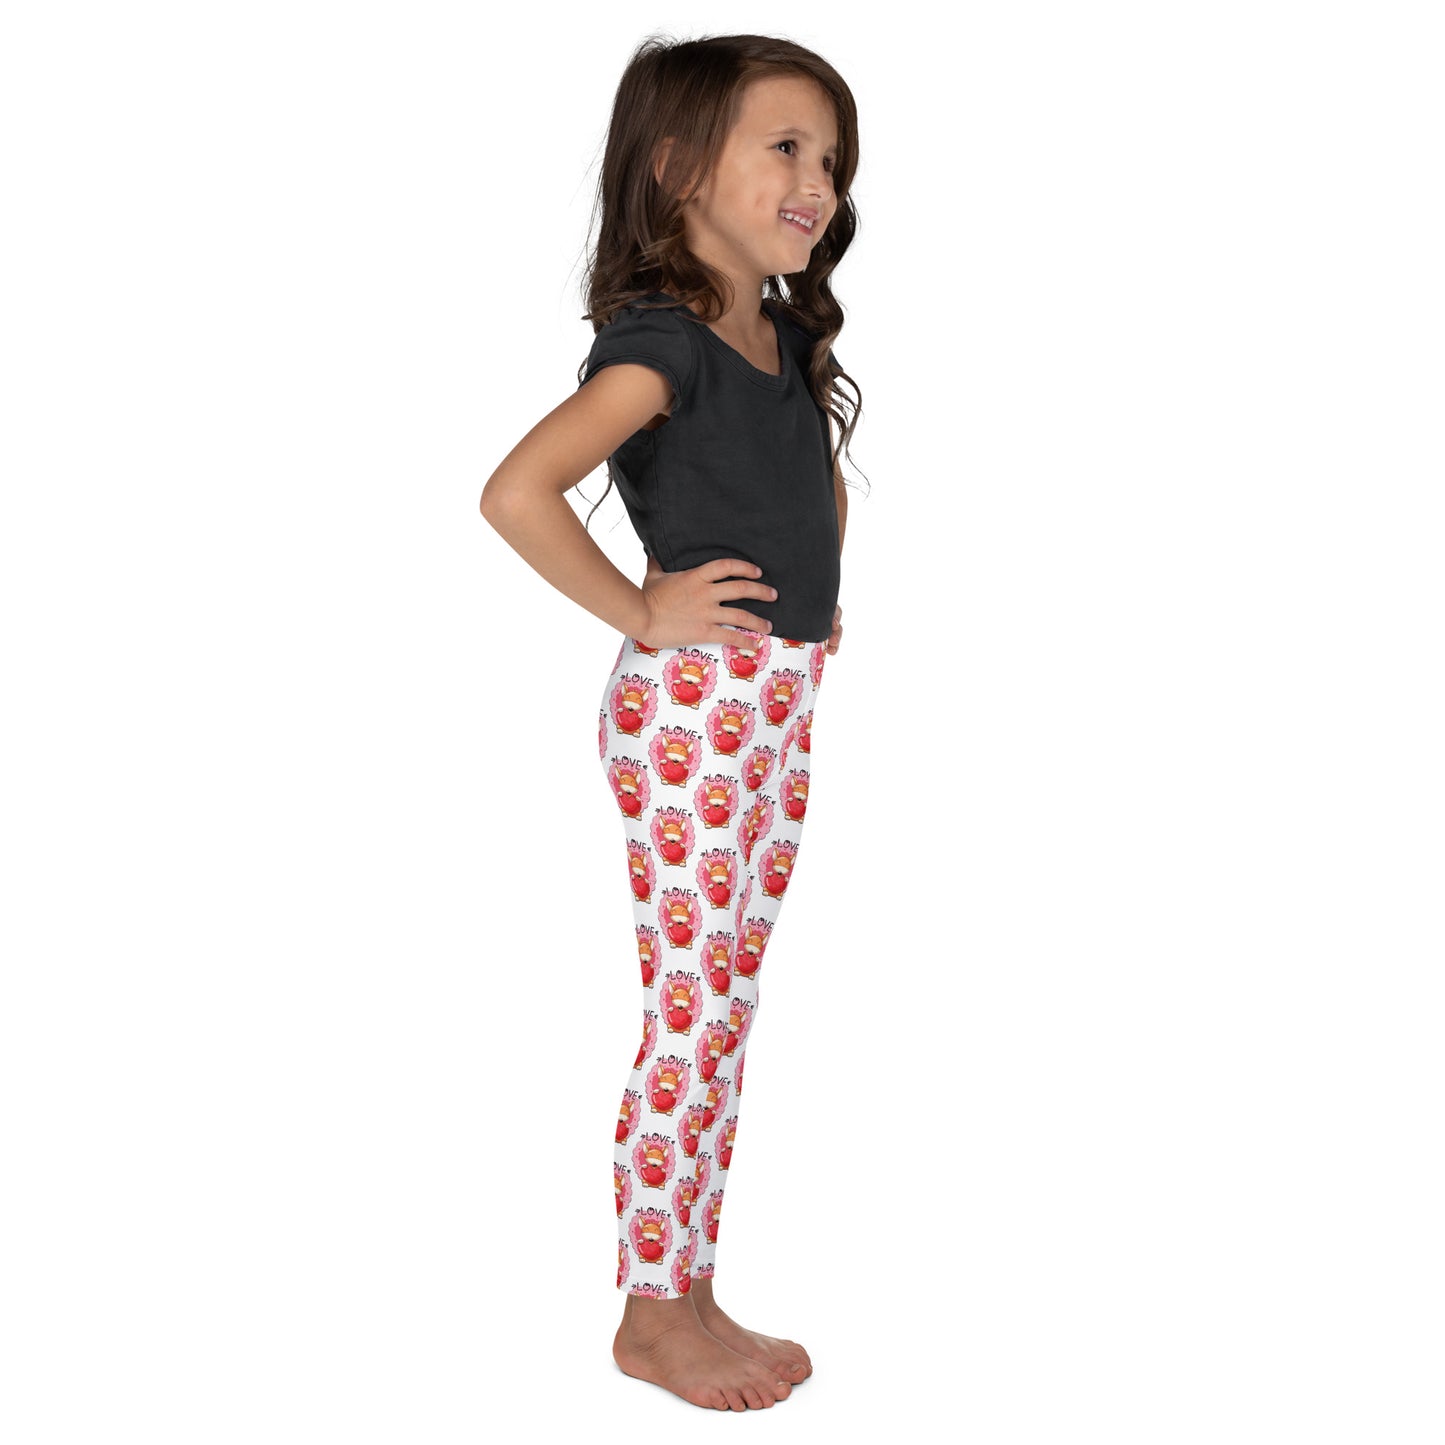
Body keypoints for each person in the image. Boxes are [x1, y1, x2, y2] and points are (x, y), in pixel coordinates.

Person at [479, 32, 863, 1413]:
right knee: (692, 1013)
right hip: (695, 713)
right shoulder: (663, 350)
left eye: (831, 158)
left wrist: (812, 605)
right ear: (677, 168)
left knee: (727, 1005)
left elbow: (807, 486)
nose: (817, 180)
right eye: (785, 147)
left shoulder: (782, 334)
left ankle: (690, 1284)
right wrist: (646, 610)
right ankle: (651, 1315)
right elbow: (516, 491)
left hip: (775, 700)